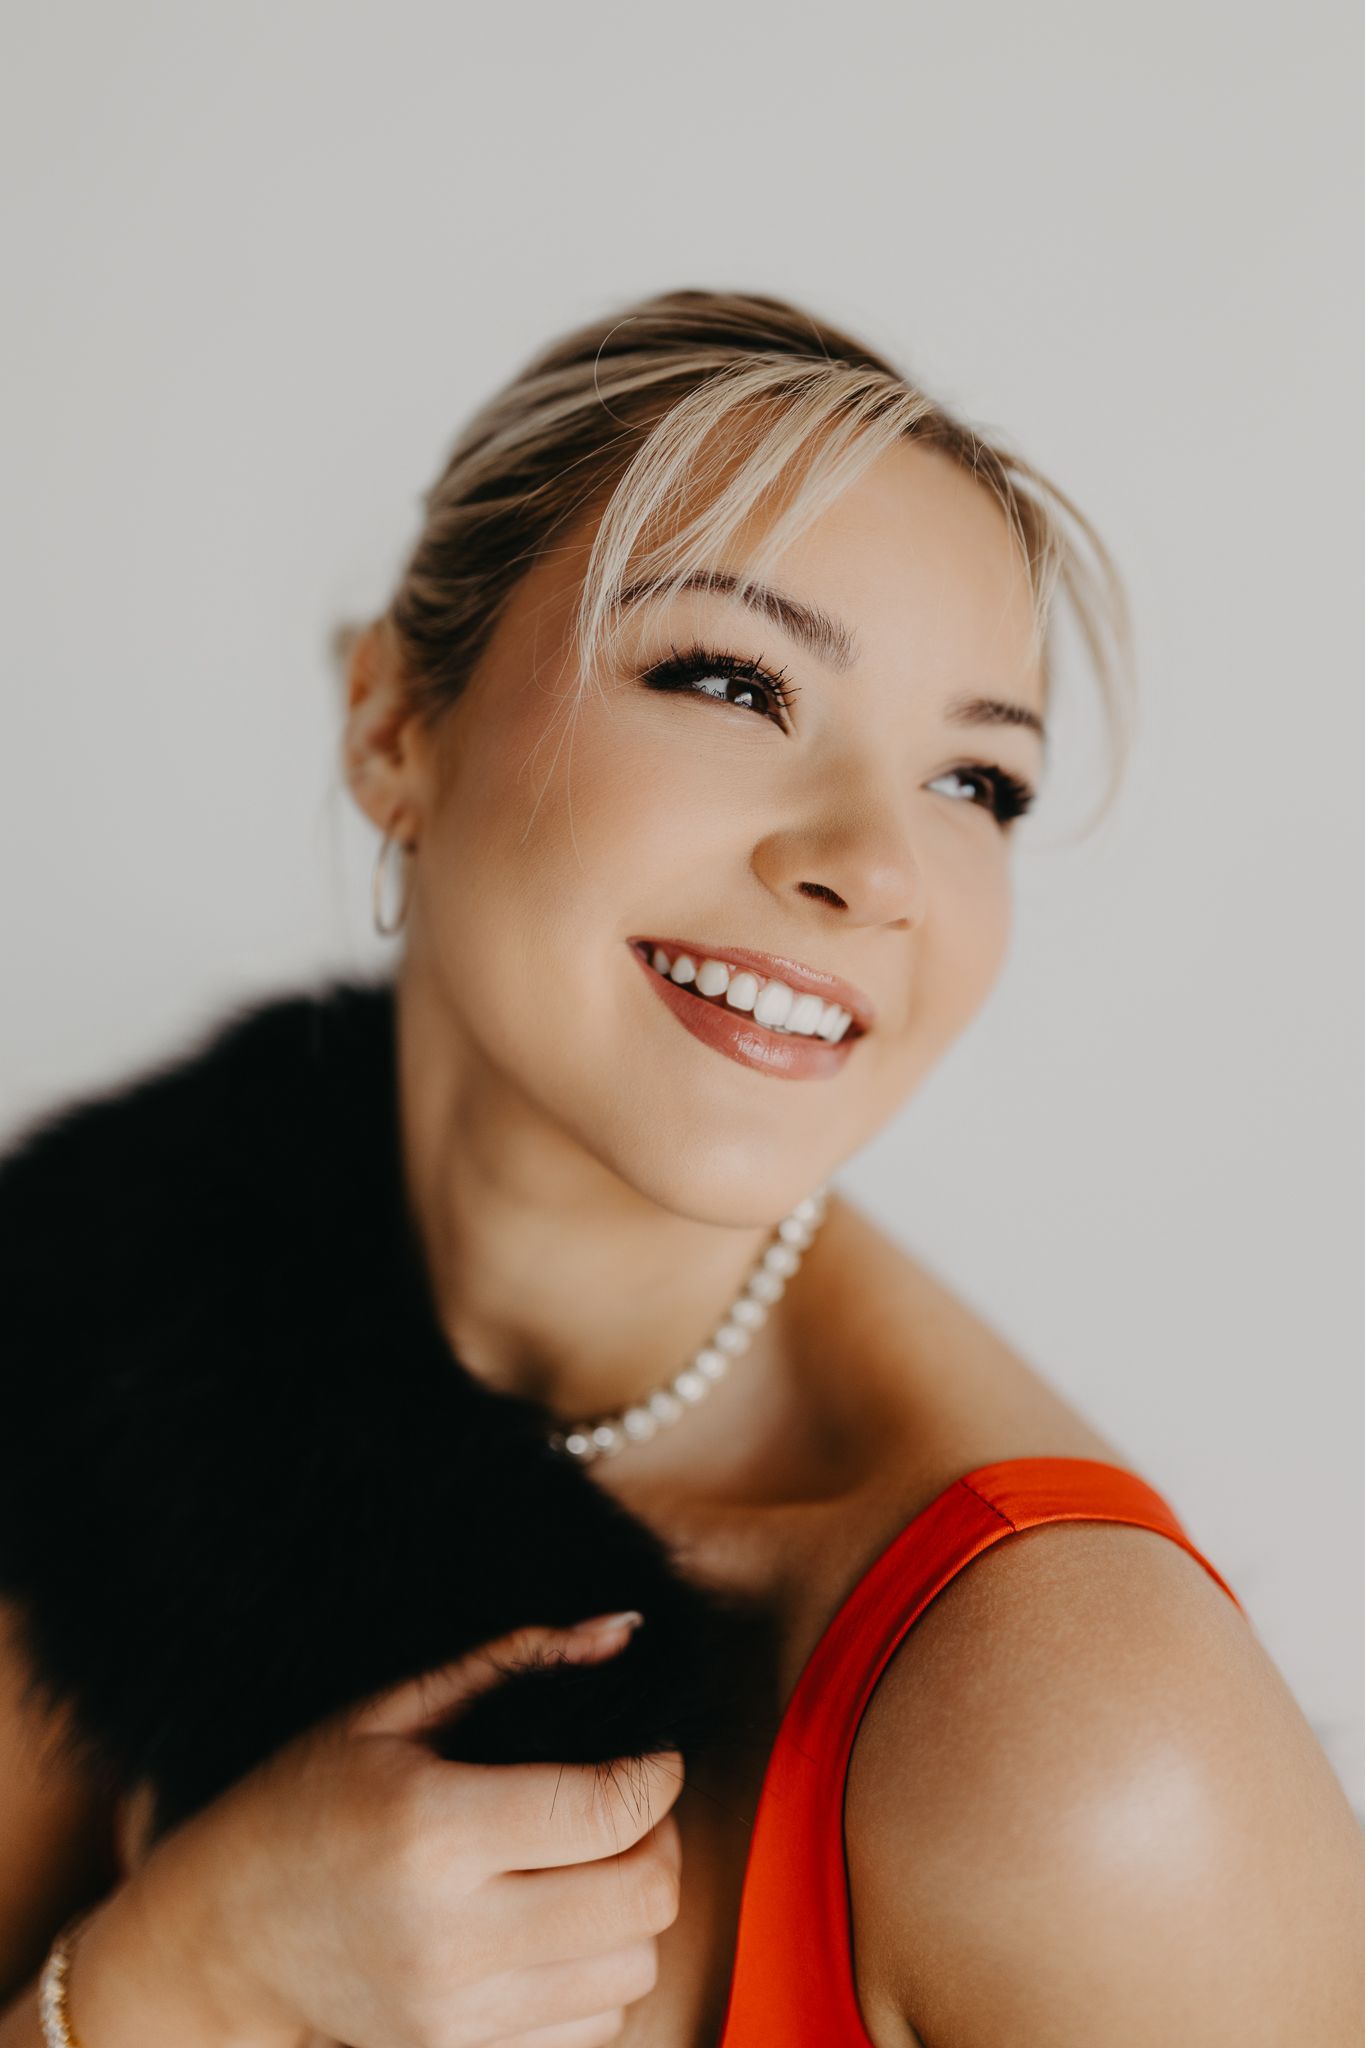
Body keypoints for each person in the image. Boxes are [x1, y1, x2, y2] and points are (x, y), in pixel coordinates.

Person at [2, 287, 1362, 2048]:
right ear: (394, 730)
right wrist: (179, 1982)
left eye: (979, 781)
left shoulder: (1084, 1745)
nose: (872, 861)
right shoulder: (112, 1323)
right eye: (731, 680)